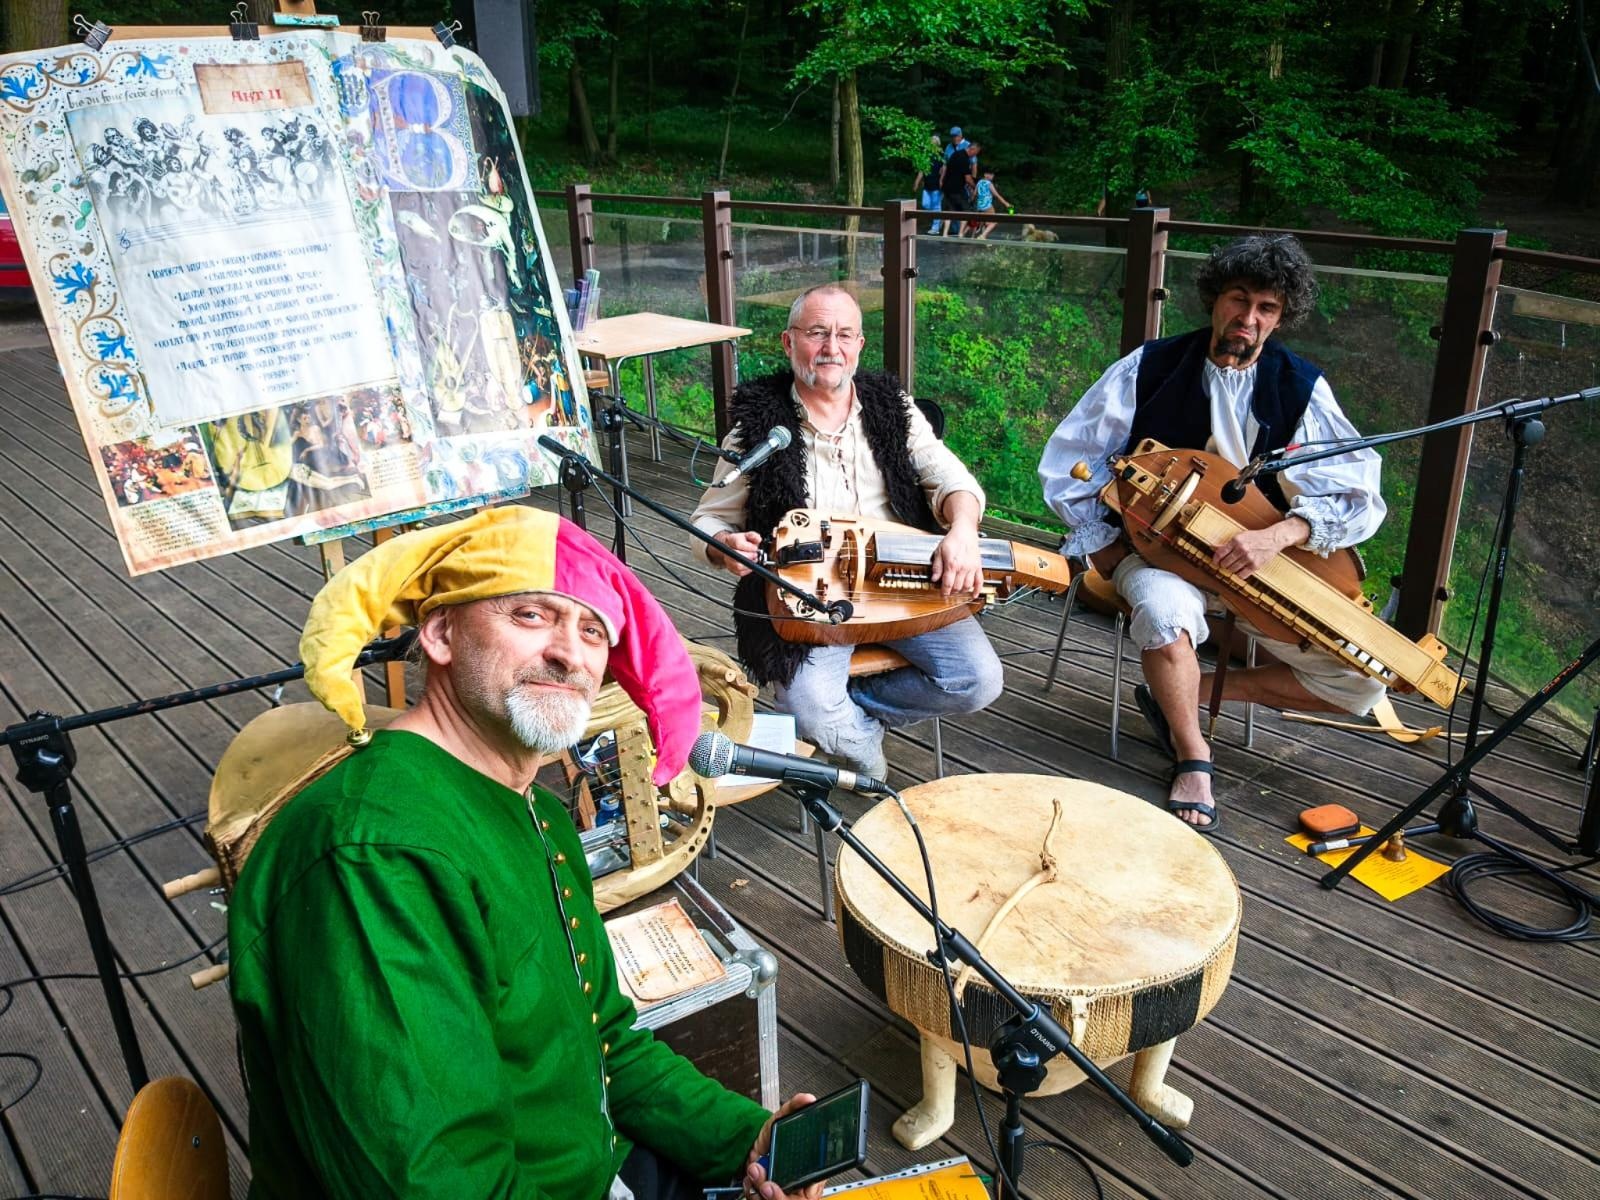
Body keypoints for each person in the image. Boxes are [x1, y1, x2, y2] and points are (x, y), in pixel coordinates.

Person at [228, 505, 822, 1200]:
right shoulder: (375, 856)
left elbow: (607, 1045)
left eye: (593, 630)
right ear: (442, 633)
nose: (570, 653)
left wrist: (746, 1141)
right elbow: (435, 1185)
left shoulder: (536, 808)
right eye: (531, 616)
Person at [1037, 234, 1386, 835]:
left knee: (1361, 685)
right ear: (1215, 300)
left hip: (1257, 565)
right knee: (1164, 611)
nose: (1248, 319)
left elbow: (1359, 494)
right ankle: (1194, 758)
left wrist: (1279, 536)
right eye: (1239, 299)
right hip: (1159, 556)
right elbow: (1069, 463)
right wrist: (1106, 544)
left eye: (1267, 309)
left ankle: (1190, 696)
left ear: (1281, 318)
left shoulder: (1299, 388)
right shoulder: (1151, 367)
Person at [691, 284, 1004, 781]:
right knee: (812, 709)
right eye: (816, 332)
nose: (830, 347)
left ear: (860, 345)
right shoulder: (757, 427)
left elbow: (952, 479)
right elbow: (708, 519)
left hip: (905, 580)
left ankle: (855, 711)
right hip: (809, 595)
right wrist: (723, 545)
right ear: (788, 342)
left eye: (844, 334)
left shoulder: (892, 408)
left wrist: (963, 528)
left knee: (978, 679)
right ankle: (863, 753)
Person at [938, 141, 974, 237]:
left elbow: (945, 167)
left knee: (949, 211)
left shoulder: (955, 154)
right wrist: (974, 187)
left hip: (947, 188)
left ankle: (945, 234)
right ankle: (960, 233)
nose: (974, 155)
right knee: (966, 211)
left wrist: (942, 180)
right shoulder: (965, 159)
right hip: (957, 190)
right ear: (972, 149)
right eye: (975, 153)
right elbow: (968, 178)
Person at [914, 133, 945, 234]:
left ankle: (935, 228)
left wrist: (942, 180)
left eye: (932, 143)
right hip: (927, 185)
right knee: (925, 204)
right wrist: (916, 182)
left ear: (937, 144)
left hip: (937, 185)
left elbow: (944, 169)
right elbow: (921, 170)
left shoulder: (942, 155)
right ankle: (939, 218)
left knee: (936, 206)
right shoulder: (926, 155)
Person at [971, 166, 1013, 240]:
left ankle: (974, 238)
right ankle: (983, 236)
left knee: (985, 222)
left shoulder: (979, 182)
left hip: (979, 205)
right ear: (985, 174)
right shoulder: (989, 183)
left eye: (992, 174)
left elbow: (974, 194)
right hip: (987, 205)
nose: (992, 176)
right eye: (990, 174)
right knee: (994, 222)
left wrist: (973, 201)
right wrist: (1006, 204)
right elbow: (997, 195)